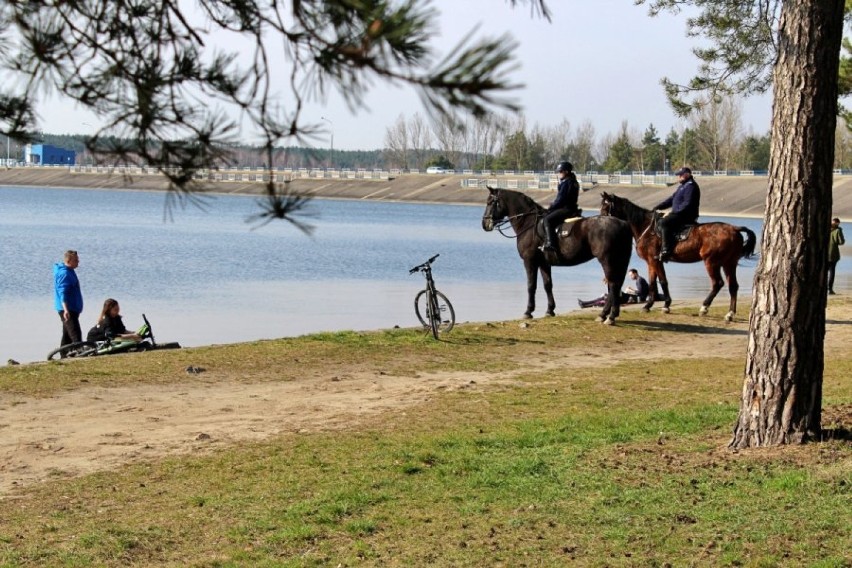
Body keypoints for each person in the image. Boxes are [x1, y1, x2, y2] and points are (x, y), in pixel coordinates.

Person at [654, 166, 701, 262]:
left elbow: (687, 203)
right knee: (658, 220)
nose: (678, 177)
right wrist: (658, 207)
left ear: (687, 174)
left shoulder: (691, 186)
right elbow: (672, 199)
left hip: (686, 215)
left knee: (664, 223)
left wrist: (673, 213)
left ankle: (666, 250)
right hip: (679, 214)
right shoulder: (683, 186)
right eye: (678, 175)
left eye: (680, 175)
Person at [542, 161, 581, 251]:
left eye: (560, 172)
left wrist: (551, 207)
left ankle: (551, 243)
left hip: (566, 209)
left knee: (547, 220)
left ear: (566, 172)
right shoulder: (573, 182)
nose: (558, 174)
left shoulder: (566, 183)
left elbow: (560, 200)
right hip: (572, 208)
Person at [53, 249, 84, 348]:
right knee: (76, 335)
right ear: (69, 261)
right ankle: (79, 354)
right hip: (67, 309)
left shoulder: (70, 271)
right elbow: (62, 292)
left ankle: (63, 356)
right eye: (76, 260)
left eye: (78, 260)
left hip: (72, 308)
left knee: (67, 336)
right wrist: (66, 310)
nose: (78, 262)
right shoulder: (65, 274)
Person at [828, 217, 845, 295]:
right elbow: (841, 242)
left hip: (824, 253)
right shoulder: (838, 230)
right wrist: (840, 231)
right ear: (838, 223)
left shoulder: (825, 228)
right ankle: (830, 289)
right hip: (833, 254)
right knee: (832, 272)